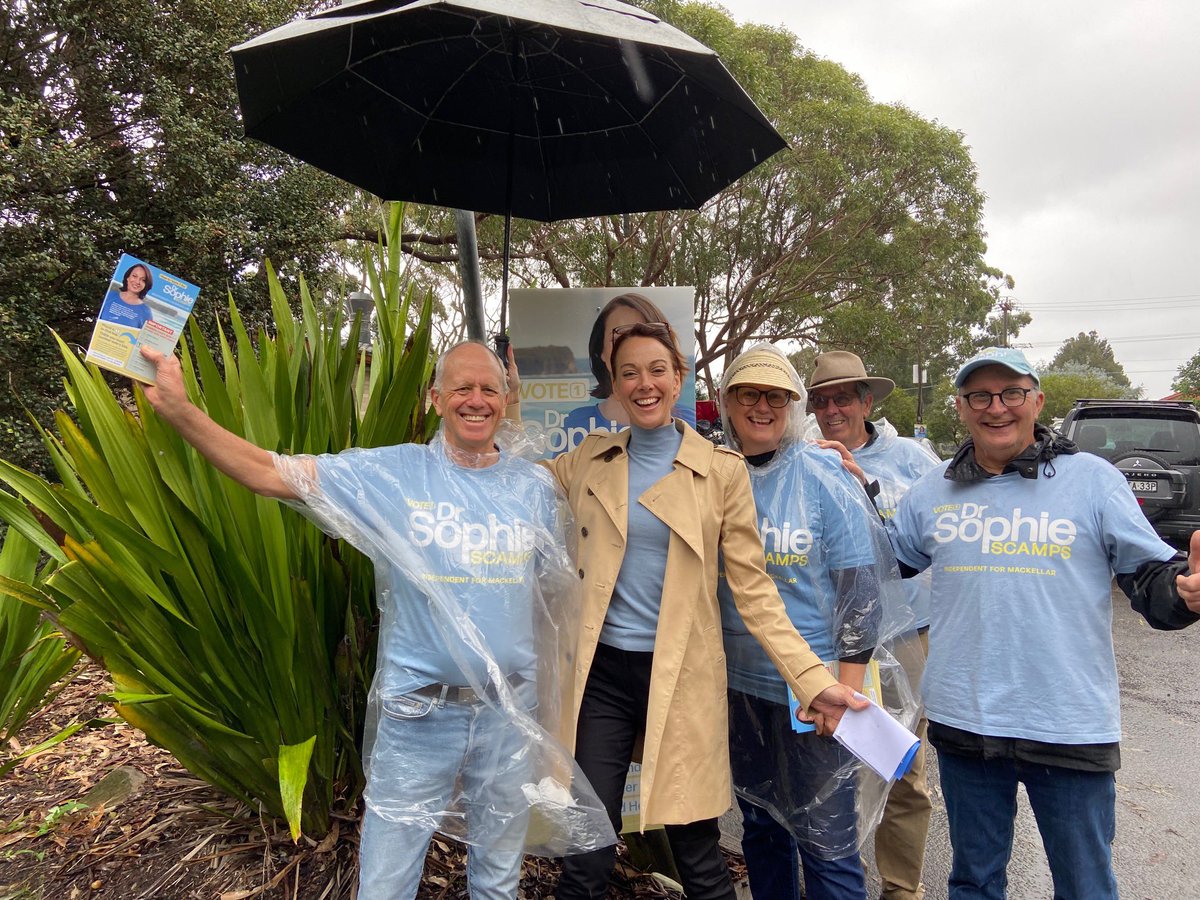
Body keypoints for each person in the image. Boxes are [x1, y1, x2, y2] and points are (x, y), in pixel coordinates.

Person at [138, 340, 613, 900]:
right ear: (436, 397)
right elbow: (270, 474)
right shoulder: (395, 476)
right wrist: (178, 409)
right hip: (419, 716)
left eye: (489, 388)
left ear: (506, 400)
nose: (476, 400)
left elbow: (557, 596)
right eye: (462, 387)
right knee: (386, 882)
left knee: (498, 881)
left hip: (508, 714)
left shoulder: (532, 490)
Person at [512, 322, 868, 900]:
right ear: (615, 385)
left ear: (679, 378)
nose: (644, 383)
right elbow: (510, 488)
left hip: (680, 674)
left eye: (658, 370)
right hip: (602, 677)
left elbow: (754, 591)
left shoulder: (721, 471)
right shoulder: (585, 461)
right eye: (629, 372)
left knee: (698, 852)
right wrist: (497, 412)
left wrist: (812, 681)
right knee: (588, 848)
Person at [886, 347, 1200, 900]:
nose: (996, 408)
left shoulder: (1092, 481)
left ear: (1037, 401)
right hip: (967, 721)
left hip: (1067, 723)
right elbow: (884, 560)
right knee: (974, 882)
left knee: (1084, 886)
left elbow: (1149, 572)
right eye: (980, 396)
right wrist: (840, 485)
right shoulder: (934, 490)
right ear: (961, 407)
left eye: (1011, 393)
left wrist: (1181, 591)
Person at [717, 345, 905, 900]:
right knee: (762, 829)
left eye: (776, 396)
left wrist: (843, 690)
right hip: (739, 686)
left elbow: (860, 590)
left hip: (815, 693)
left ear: (794, 405)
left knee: (826, 841)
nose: (762, 406)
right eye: (748, 393)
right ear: (728, 402)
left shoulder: (822, 472)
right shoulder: (714, 475)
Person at [807, 350, 938, 900]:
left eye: (843, 397)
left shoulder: (915, 460)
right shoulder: (802, 458)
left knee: (903, 768)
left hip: (902, 636)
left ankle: (901, 888)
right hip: (833, 639)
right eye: (821, 400)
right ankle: (841, 883)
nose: (832, 409)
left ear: (867, 401)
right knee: (837, 768)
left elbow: (933, 545)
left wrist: (866, 491)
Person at [561, 292, 696, 438]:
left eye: (646, 335)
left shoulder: (689, 423)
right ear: (600, 352)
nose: (634, 345)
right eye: (620, 338)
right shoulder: (576, 423)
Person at [100, 263, 155, 328]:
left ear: (146, 284)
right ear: (127, 278)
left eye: (143, 280)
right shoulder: (110, 295)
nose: (137, 281)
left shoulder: (146, 312)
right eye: (134, 276)